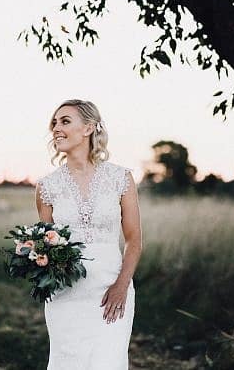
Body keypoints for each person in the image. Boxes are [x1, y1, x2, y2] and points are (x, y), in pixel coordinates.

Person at [35, 99, 143, 370]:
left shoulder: (121, 179)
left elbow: (134, 240)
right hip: (65, 294)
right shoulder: (47, 187)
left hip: (111, 289)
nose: (56, 128)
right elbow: (46, 245)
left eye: (65, 121)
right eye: (54, 123)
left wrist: (121, 286)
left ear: (89, 128)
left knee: (109, 362)